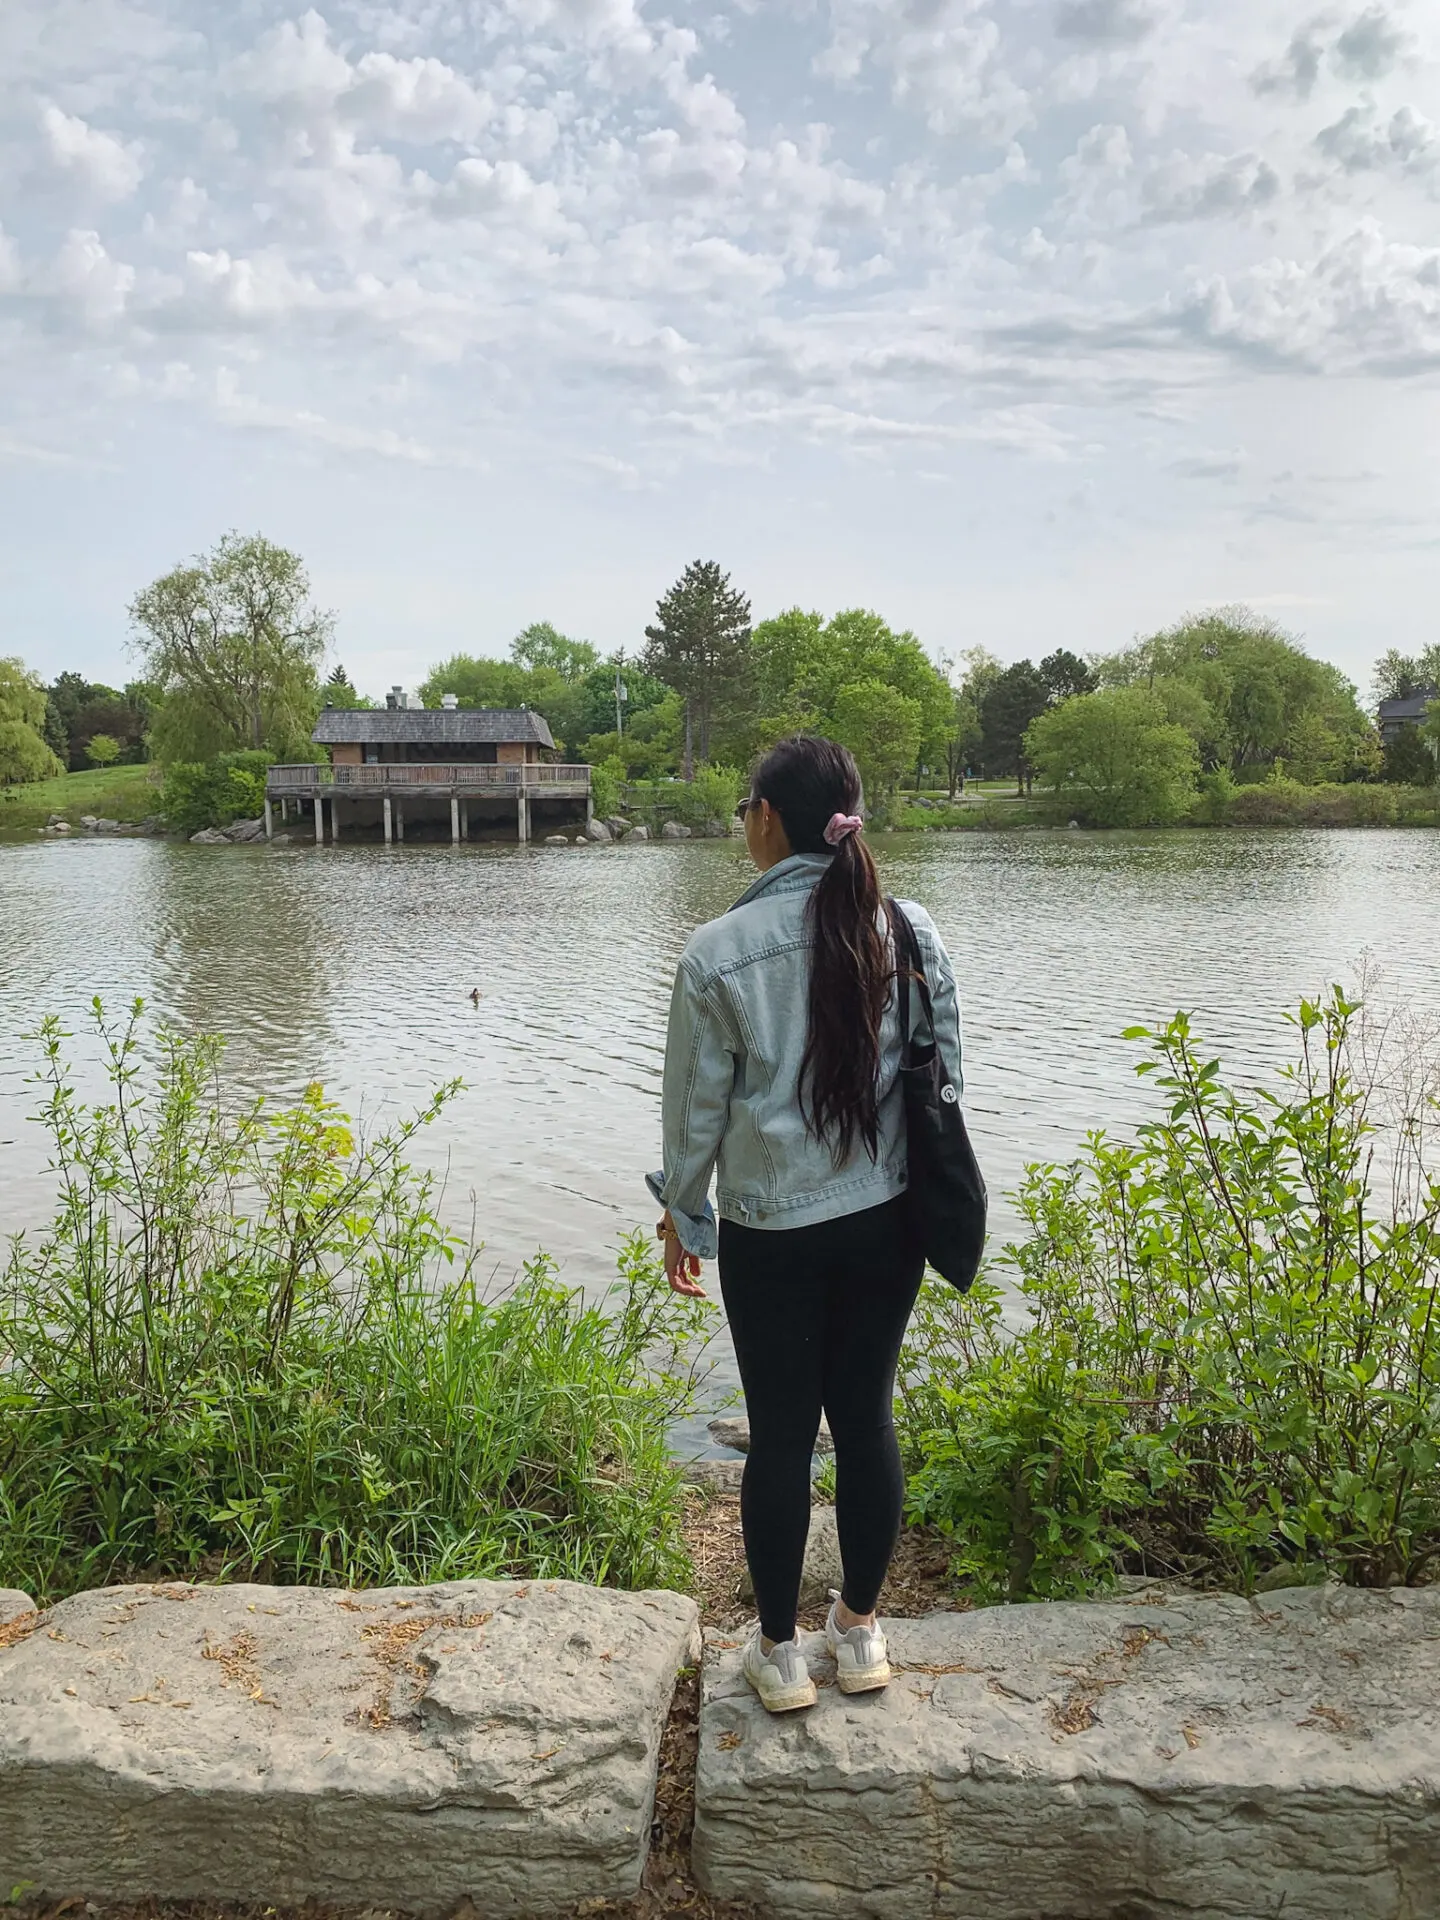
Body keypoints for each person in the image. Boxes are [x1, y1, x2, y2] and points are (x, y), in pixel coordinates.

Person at [648, 734, 963, 1713]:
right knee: (866, 1416)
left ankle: (781, 1654)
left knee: (781, 1434)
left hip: (772, 1231)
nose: (744, 824)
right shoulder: (908, 929)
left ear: (770, 820)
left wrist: (683, 1218)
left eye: (747, 809)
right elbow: (942, 1076)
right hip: (886, 1219)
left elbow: (695, 1112)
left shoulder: (714, 953)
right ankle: (861, 1635)